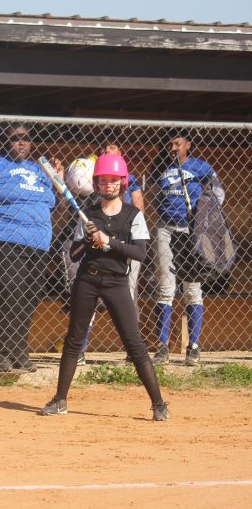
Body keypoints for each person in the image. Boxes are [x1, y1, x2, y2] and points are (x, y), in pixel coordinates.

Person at [41, 153, 169, 421]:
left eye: (113, 181)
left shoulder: (133, 215)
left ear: (122, 183)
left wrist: (108, 241)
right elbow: (74, 255)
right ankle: (60, 400)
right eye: (103, 181)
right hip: (87, 280)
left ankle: (158, 403)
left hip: (116, 283)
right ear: (96, 184)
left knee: (134, 343)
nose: (108, 185)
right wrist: (87, 240)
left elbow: (141, 253)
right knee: (74, 340)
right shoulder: (89, 214)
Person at [0, 125, 62, 372]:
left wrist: (58, 178)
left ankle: (19, 351)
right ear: (4, 142)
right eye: (15, 139)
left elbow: (54, 203)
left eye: (26, 139)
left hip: (38, 242)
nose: (22, 144)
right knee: (7, 293)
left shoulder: (39, 168)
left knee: (29, 298)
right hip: (1, 237)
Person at [59, 141, 146, 364]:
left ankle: (132, 349)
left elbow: (138, 209)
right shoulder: (90, 176)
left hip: (121, 247)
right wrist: (63, 179)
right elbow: (69, 205)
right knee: (88, 297)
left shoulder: (129, 179)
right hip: (94, 251)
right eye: (104, 149)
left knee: (129, 295)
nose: (107, 152)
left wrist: (118, 233)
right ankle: (80, 348)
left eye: (112, 148)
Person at [150, 130, 223, 366]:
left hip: (192, 230)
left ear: (187, 145)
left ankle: (193, 346)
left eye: (178, 144)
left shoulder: (200, 166)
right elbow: (153, 194)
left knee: (192, 288)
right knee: (165, 286)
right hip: (166, 227)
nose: (173, 148)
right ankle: (162, 346)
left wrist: (205, 212)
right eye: (170, 144)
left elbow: (219, 192)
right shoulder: (160, 167)